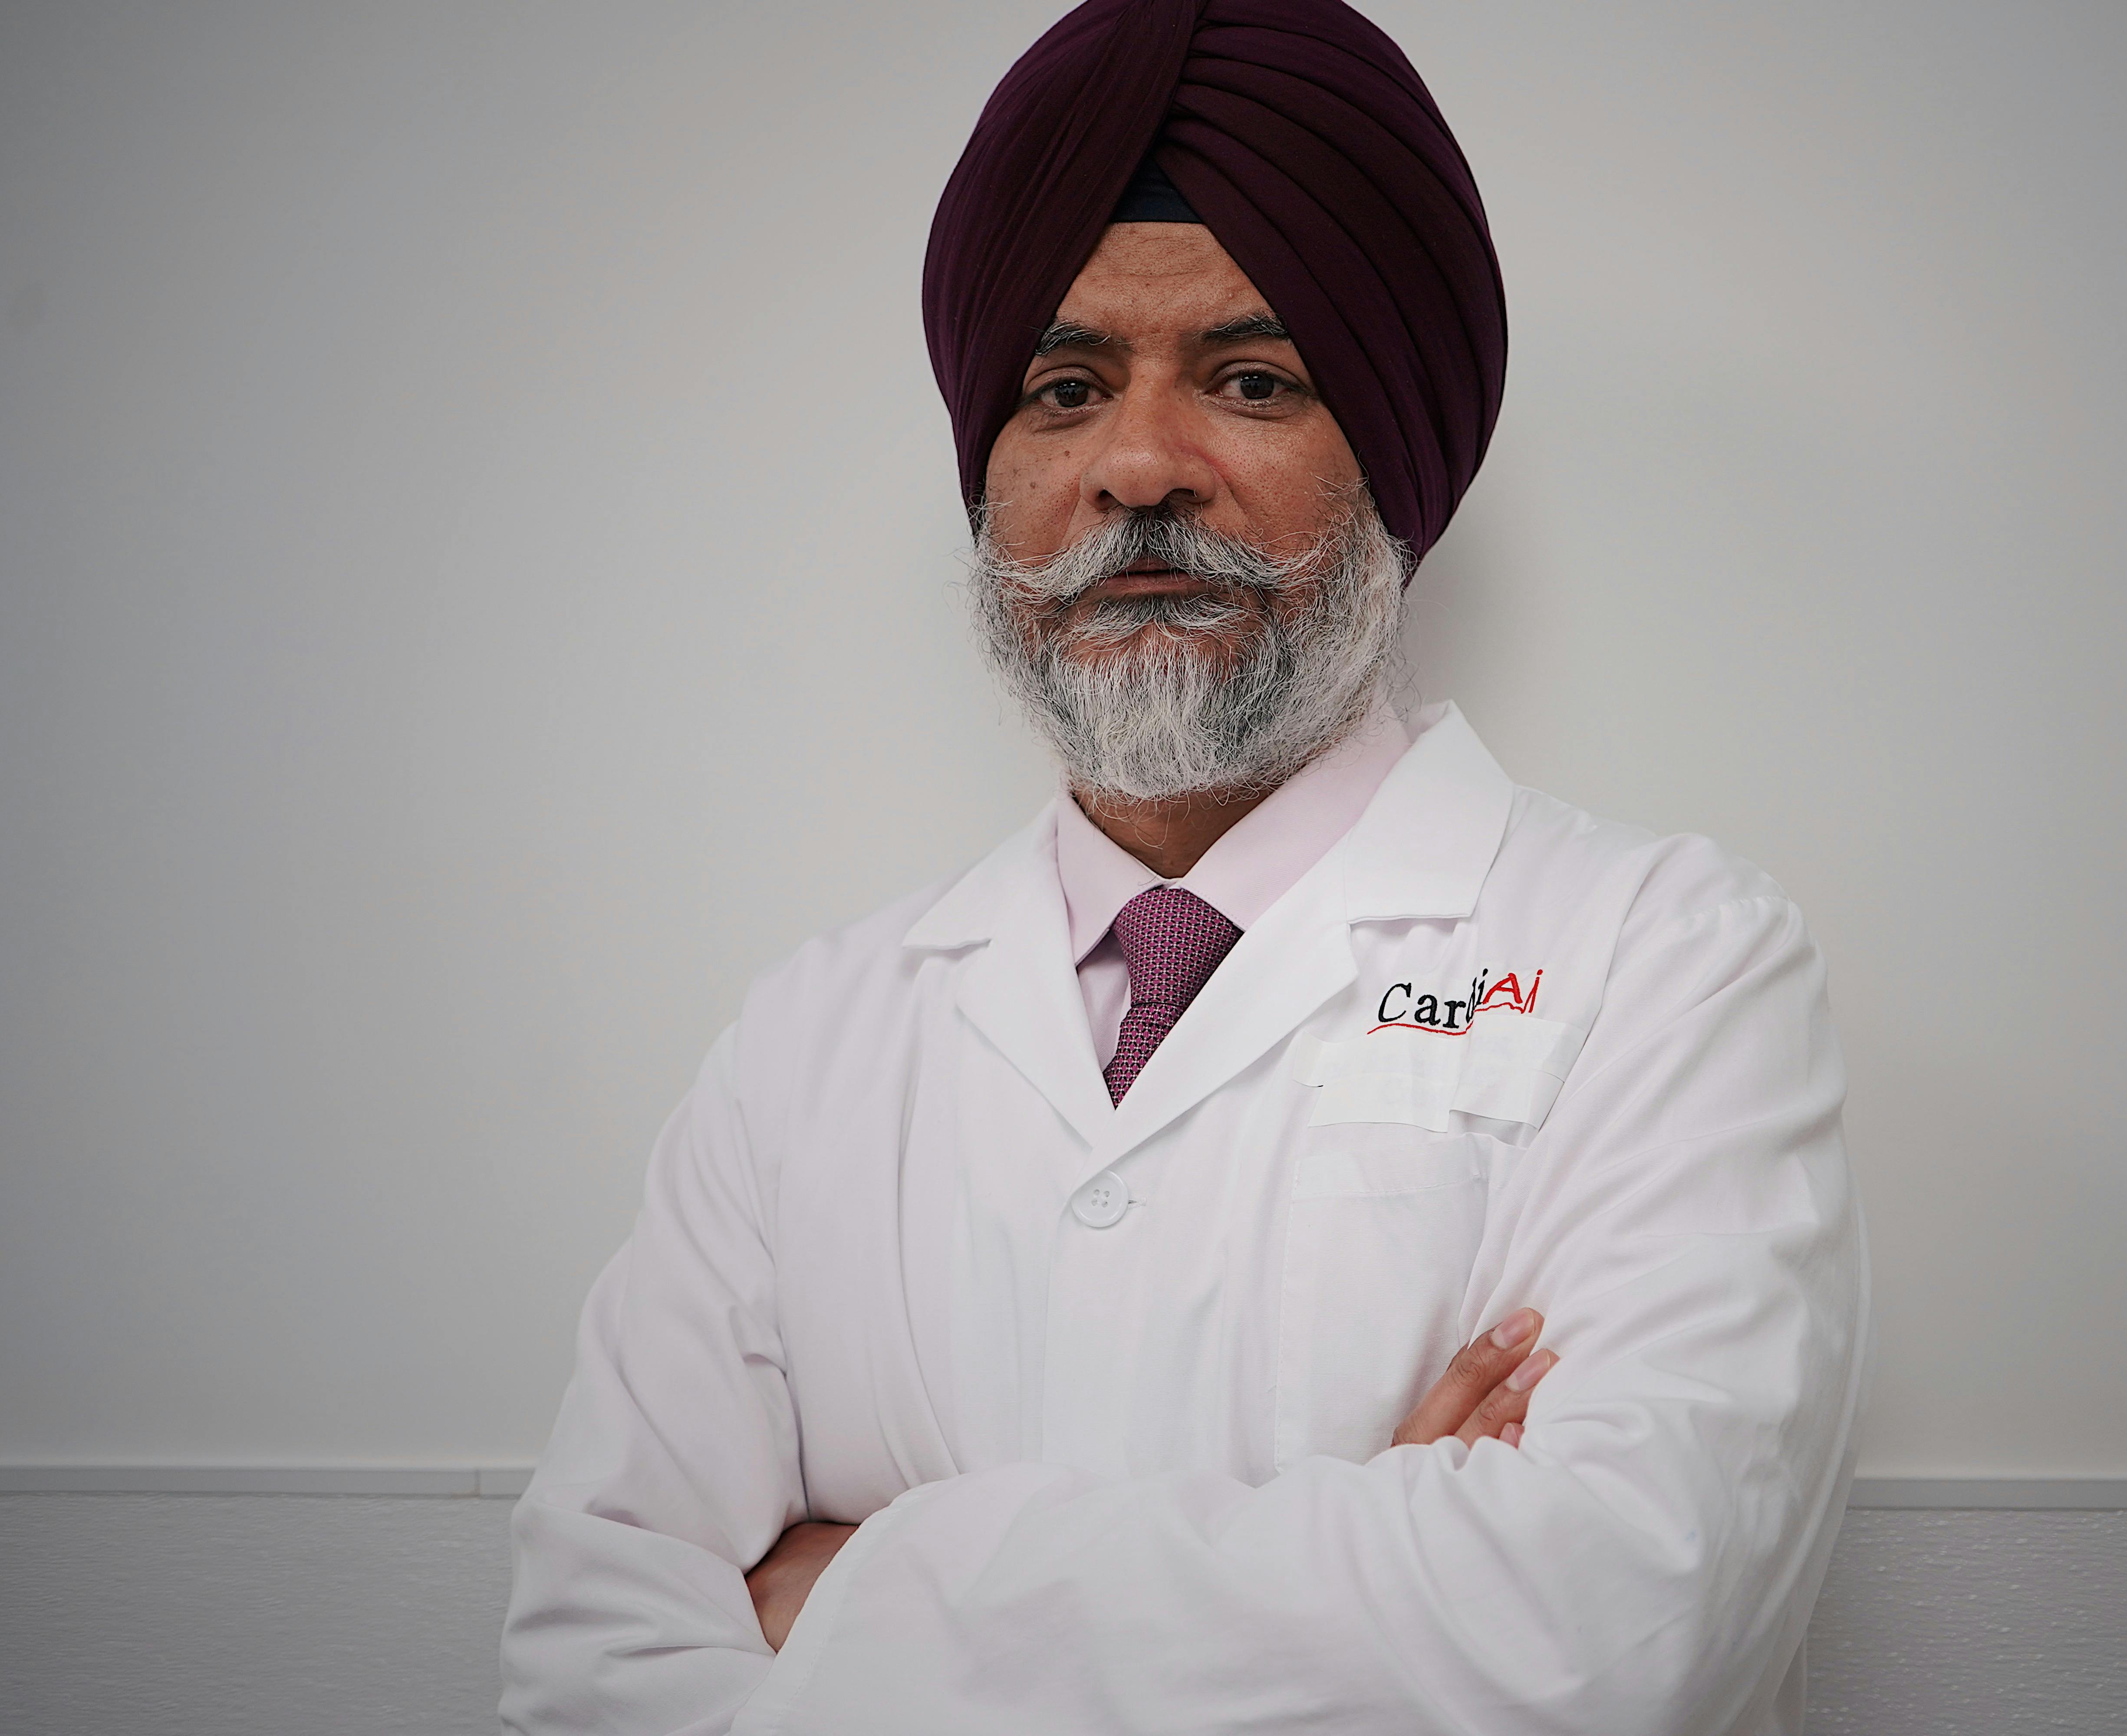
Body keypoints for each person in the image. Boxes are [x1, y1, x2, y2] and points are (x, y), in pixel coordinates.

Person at [499, 2, 1866, 1730]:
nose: (1140, 465)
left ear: (1395, 454)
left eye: (1251, 380)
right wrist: (1379, 1566)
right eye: (1066, 389)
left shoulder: (1666, 965)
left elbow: (1604, 1635)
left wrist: (861, 1587)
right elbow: (588, 1665)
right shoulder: (809, 1043)